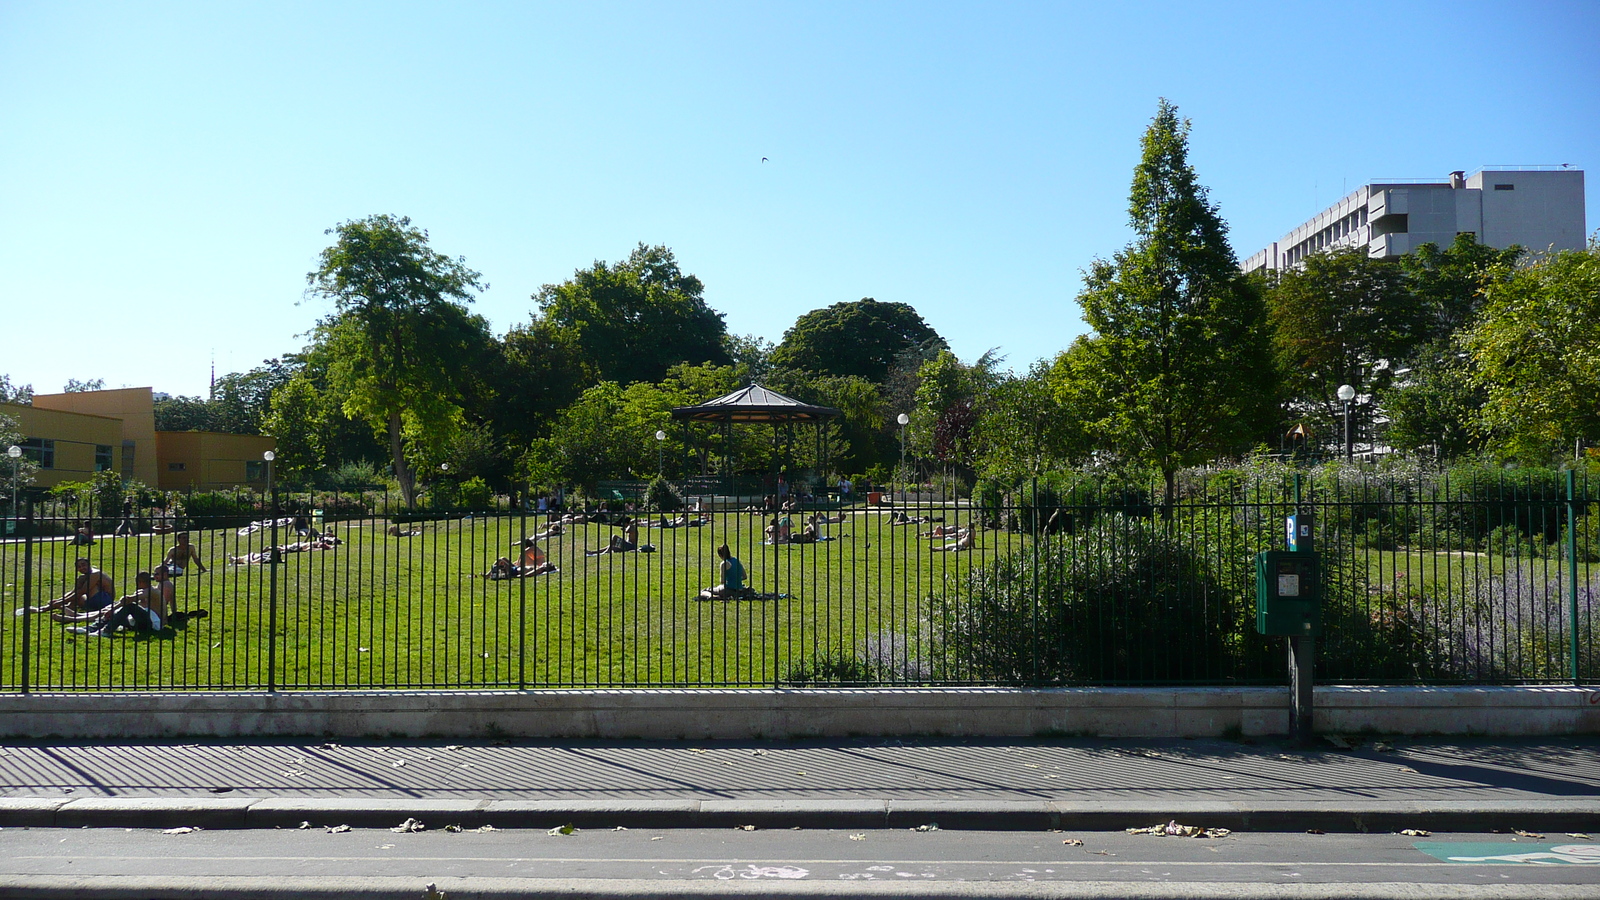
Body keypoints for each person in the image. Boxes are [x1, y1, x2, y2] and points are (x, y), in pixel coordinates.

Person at [69, 571, 162, 636]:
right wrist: (112, 608)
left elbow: (129, 600)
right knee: (119, 609)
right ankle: (91, 628)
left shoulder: (151, 591)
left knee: (129, 606)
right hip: (138, 622)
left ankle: (106, 631)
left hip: (152, 625)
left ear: (140, 582)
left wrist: (112, 608)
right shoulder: (143, 591)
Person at [24, 558, 116, 617]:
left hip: (105, 601)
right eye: (79, 567)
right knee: (77, 588)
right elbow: (74, 591)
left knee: (88, 589)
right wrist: (59, 599)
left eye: (84, 565)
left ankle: (54, 608)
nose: (82, 568)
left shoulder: (95, 574)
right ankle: (55, 607)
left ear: (89, 564)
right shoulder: (83, 577)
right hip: (92, 601)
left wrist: (60, 601)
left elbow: (82, 592)